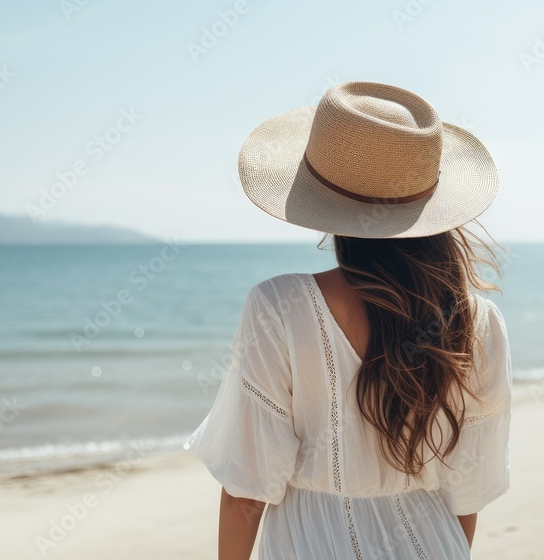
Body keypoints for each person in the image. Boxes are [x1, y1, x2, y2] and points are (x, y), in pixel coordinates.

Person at [183, 81, 513, 559]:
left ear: (323, 201)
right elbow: (468, 491)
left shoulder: (279, 305)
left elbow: (247, 489)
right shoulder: (476, 321)